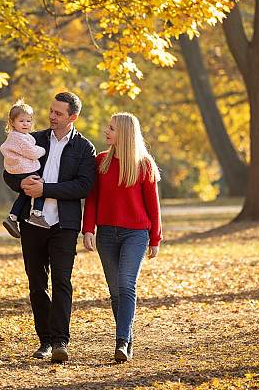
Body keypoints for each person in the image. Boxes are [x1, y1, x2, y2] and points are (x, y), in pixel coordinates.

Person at [3, 92, 96, 363]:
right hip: (32, 223)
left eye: (58, 113)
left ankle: (60, 342)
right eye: (51, 111)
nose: (51, 116)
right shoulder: (33, 139)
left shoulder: (84, 148)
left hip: (64, 225)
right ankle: (44, 342)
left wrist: (47, 189)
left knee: (62, 282)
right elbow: (9, 171)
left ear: (72, 117)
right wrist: (20, 184)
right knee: (36, 283)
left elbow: (83, 186)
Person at [82, 112, 162, 362]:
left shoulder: (144, 164)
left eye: (111, 128)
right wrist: (88, 229)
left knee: (126, 286)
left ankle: (122, 342)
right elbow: (92, 199)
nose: (106, 131)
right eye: (108, 127)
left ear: (125, 134)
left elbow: (153, 205)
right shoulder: (101, 161)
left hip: (135, 235)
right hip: (106, 234)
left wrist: (155, 238)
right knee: (115, 291)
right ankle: (126, 336)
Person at [0, 99, 50, 239]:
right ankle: (37, 213)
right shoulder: (18, 138)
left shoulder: (20, 137)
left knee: (25, 193)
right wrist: (43, 150)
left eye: (28, 121)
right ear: (12, 123)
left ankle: (12, 217)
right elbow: (32, 153)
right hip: (24, 169)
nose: (26, 124)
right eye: (21, 121)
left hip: (18, 170)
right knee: (40, 186)